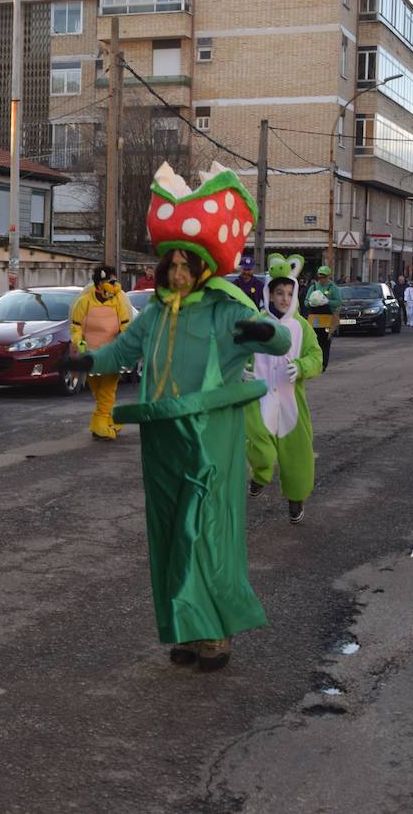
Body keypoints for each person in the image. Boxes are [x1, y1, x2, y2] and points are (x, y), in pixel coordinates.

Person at [59, 164, 290, 672]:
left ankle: (216, 633)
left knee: (206, 527)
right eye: (172, 263)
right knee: (168, 530)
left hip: (211, 438)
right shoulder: (158, 314)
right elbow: (119, 350)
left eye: (188, 264)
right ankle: (185, 628)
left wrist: (258, 334)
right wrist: (84, 360)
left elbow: (279, 338)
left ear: (205, 268)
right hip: (163, 438)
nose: (179, 273)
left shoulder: (226, 309)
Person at [246, 254, 322, 524]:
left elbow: (316, 357)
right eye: (279, 293)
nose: (285, 299)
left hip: (291, 403)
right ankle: (259, 476)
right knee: (260, 448)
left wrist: (301, 366)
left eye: (290, 293)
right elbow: (240, 352)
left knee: (297, 454)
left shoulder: (301, 326)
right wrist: (242, 370)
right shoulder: (256, 323)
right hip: (259, 400)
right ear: (269, 293)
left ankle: (296, 499)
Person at [69, 265, 133, 441]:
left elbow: (125, 327)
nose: (114, 285)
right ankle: (112, 418)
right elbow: (75, 328)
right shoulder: (84, 302)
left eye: (115, 281)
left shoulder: (119, 301)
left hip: (112, 355)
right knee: (98, 391)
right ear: (98, 284)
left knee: (107, 389)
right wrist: (81, 346)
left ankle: (99, 426)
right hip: (90, 355)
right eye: (110, 281)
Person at [302, 265, 341, 369]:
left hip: (328, 318)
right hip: (315, 318)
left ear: (328, 276)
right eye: (320, 276)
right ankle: (315, 362)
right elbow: (305, 302)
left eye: (324, 277)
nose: (322, 279)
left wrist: (328, 301)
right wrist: (310, 303)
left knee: (325, 342)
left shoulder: (333, 288)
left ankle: (323, 363)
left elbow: (338, 302)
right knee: (314, 341)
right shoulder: (313, 287)